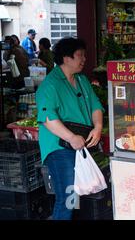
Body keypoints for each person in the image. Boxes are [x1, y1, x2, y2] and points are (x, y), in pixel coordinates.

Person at [36, 37, 104, 220]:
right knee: (67, 197)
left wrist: (97, 127)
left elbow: (96, 106)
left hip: (80, 146)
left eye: (84, 55)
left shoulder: (81, 80)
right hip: (59, 148)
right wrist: (71, 137)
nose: (84, 59)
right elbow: (47, 118)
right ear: (66, 58)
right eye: (79, 56)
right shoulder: (50, 85)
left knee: (75, 197)